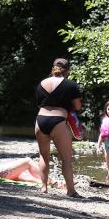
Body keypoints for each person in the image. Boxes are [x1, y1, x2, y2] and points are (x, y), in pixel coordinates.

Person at [34, 58, 82, 197]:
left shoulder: (42, 83)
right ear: (67, 70)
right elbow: (78, 106)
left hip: (40, 120)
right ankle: (71, 190)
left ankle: (44, 187)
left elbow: (39, 104)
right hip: (59, 121)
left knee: (44, 156)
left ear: (53, 68)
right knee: (66, 158)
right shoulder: (71, 85)